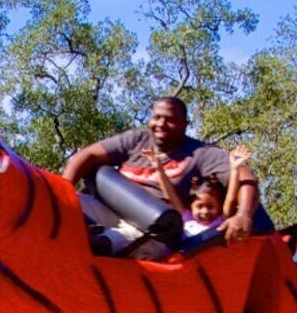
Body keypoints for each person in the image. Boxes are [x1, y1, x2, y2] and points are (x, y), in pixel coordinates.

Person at [63, 94, 231, 255]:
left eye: (170, 120)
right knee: (67, 203)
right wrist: (62, 190)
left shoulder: (201, 153)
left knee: (123, 238)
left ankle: (95, 248)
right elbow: (87, 155)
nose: (161, 124)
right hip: (111, 208)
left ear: (184, 124)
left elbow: (245, 178)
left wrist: (244, 215)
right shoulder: (137, 139)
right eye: (157, 117)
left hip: (154, 229)